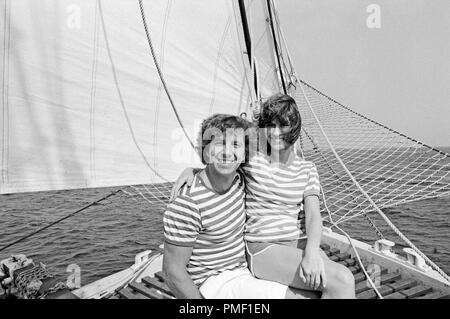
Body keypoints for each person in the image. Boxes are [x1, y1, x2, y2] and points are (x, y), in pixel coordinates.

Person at [170, 94, 356, 299]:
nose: (275, 133)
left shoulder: (307, 169)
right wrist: (193, 170)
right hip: (263, 246)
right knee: (343, 280)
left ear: (294, 127)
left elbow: (313, 215)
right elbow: (222, 163)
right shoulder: (253, 160)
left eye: (282, 125)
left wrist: (312, 251)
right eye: (270, 126)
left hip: (297, 242)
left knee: (323, 289)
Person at [162, 113, 318, 299]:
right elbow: (172, 273)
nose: (227, 152)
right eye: (219, 143)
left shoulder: (239, 181)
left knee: (315, 288)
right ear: (206, 149)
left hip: (244, 272)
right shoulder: (188, 202)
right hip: (213, 284)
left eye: (235, 145)